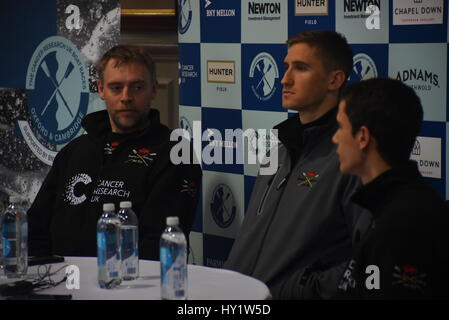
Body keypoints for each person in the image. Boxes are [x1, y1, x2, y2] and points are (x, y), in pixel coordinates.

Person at [224, 30, 371, 299]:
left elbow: (370, 262)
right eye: (286, 67)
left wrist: (301, 290)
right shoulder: (279, 147)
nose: (284, 79)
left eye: (301, 68)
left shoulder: (354, 157)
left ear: (334, 79)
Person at [28, 45, 202, 260]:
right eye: (116, 87)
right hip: (59, 281)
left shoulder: (176, 153)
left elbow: (159, 244)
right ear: (101, 90)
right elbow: (35, 228)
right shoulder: (75, 151)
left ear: (154, 89)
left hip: (130, 285)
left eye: (137, 87)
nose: (126, 97)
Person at [333, 77, 449, 299]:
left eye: (340, 127)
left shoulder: (405, 225)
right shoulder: (389, 206)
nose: (335, 137)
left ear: (363, 137)